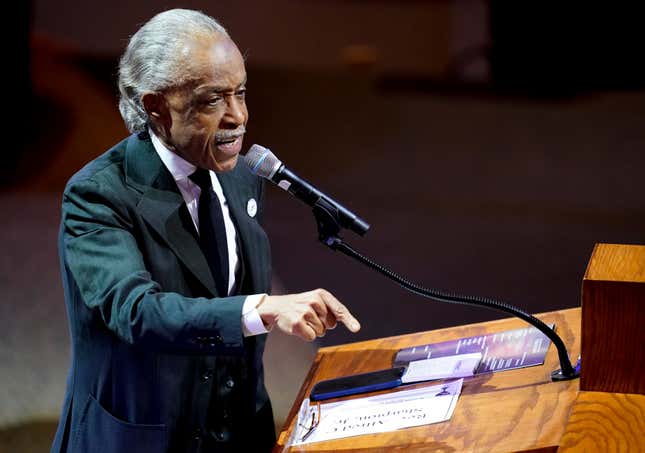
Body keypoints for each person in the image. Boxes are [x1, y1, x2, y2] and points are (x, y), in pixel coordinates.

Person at [50, 8, 360, 453]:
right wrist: (262, 310)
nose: (237, 117)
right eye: (212, 100)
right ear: (154, 105)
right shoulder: (99, 194)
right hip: (144, 441)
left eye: (240, 93)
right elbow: (137, 312)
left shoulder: (241, 176)